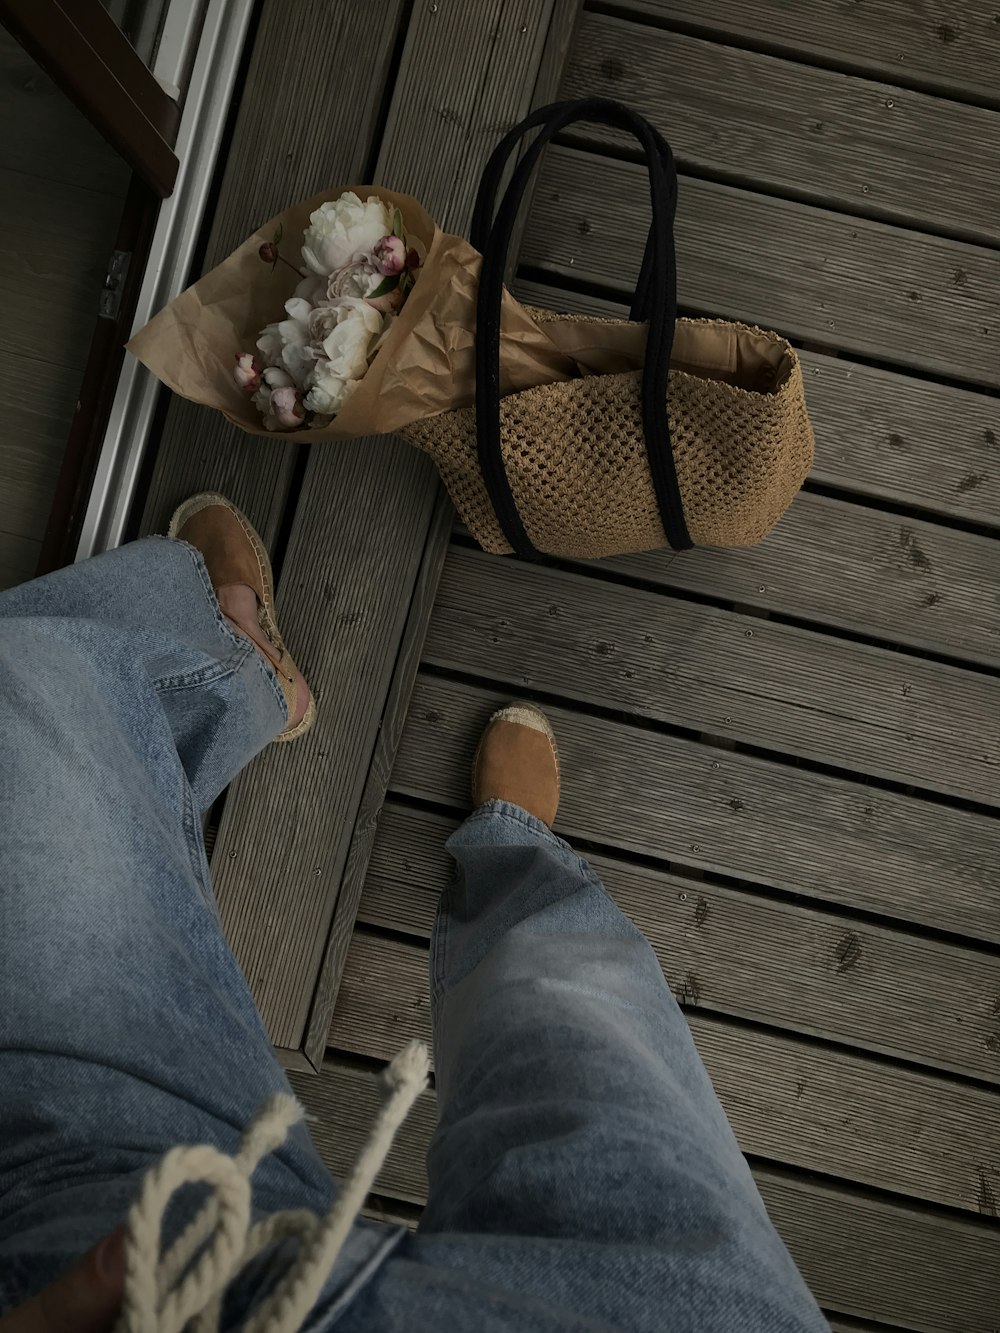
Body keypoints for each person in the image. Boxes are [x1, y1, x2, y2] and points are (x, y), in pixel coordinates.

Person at [0, 495, 830, 1332]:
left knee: (19, 691)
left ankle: (240, 675)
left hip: (131, 1265)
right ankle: (519, 863)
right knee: (577, 1007)